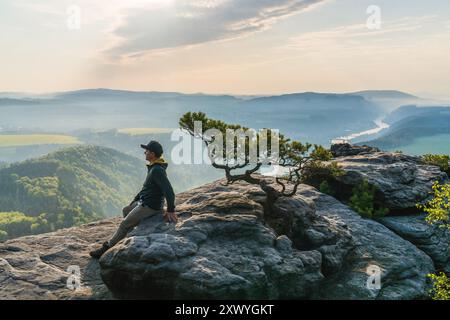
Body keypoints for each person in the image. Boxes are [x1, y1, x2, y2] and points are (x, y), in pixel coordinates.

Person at [90, 140, 177, 259]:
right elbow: (147, 188)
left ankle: (107, 248)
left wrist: (171, 210)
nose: (144, 153)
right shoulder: (153, 167)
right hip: (144, 202)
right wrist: (135, 199)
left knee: (124, 224)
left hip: (150, 206)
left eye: (146, 151)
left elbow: (169, 191)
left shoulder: (157, 170)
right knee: (126, 210)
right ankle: (127, 234)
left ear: (152, 153)